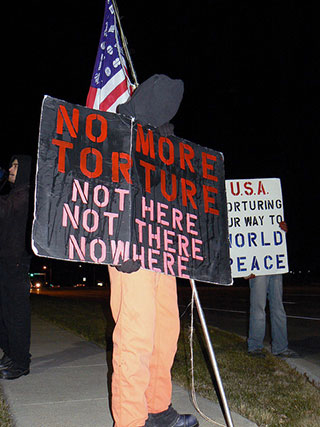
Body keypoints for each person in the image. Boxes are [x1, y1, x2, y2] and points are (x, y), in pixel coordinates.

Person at [109, 75, 199, 427]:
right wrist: (120, 238)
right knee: (135, 337)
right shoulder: (116, 135)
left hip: (164, 252)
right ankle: (131, 420)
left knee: (165, 333)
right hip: (129, 254)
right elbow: (104, 194)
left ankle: (156, 407)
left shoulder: (167, 142)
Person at [0, 155, 33, 380]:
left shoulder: (26, 194)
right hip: (5, 261)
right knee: (4, 313)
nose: (11, 169)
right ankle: (11, 353)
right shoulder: (13, 193)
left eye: (15, 166)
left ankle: (21, 362)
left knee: (16, 314)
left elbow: (6, 210)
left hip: (17, 263)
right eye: (11, 165)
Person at [247, 221, 298, 358]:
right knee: (258, 307)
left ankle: (280, 347)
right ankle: (255, 346)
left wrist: (282, 231)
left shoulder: (272, 213)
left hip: (274, 263)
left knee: (278, 307)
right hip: (256, 266)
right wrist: (245, 268)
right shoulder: (249, 216)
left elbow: (277, 236)